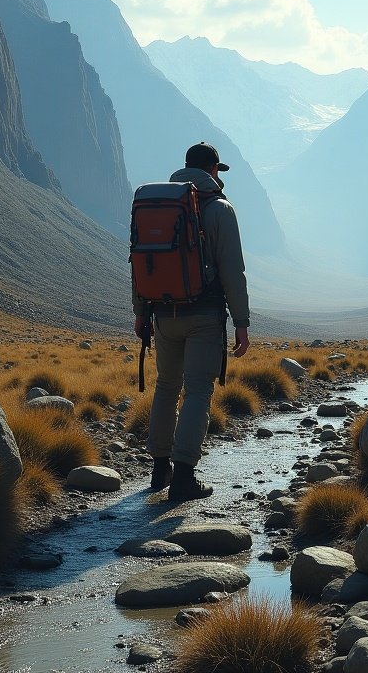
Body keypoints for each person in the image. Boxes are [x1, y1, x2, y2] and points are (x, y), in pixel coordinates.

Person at [132, 141, 250, 501]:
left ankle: (159, 470)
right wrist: (241, 322)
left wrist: (141, 312)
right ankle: (184, 477)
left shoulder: (159, 206)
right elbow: (233, 271)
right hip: (203, 315)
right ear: (214, 170)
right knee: (198, 390)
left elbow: (139, 260)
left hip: (163, 313)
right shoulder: (220, 210)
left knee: (166, 386)